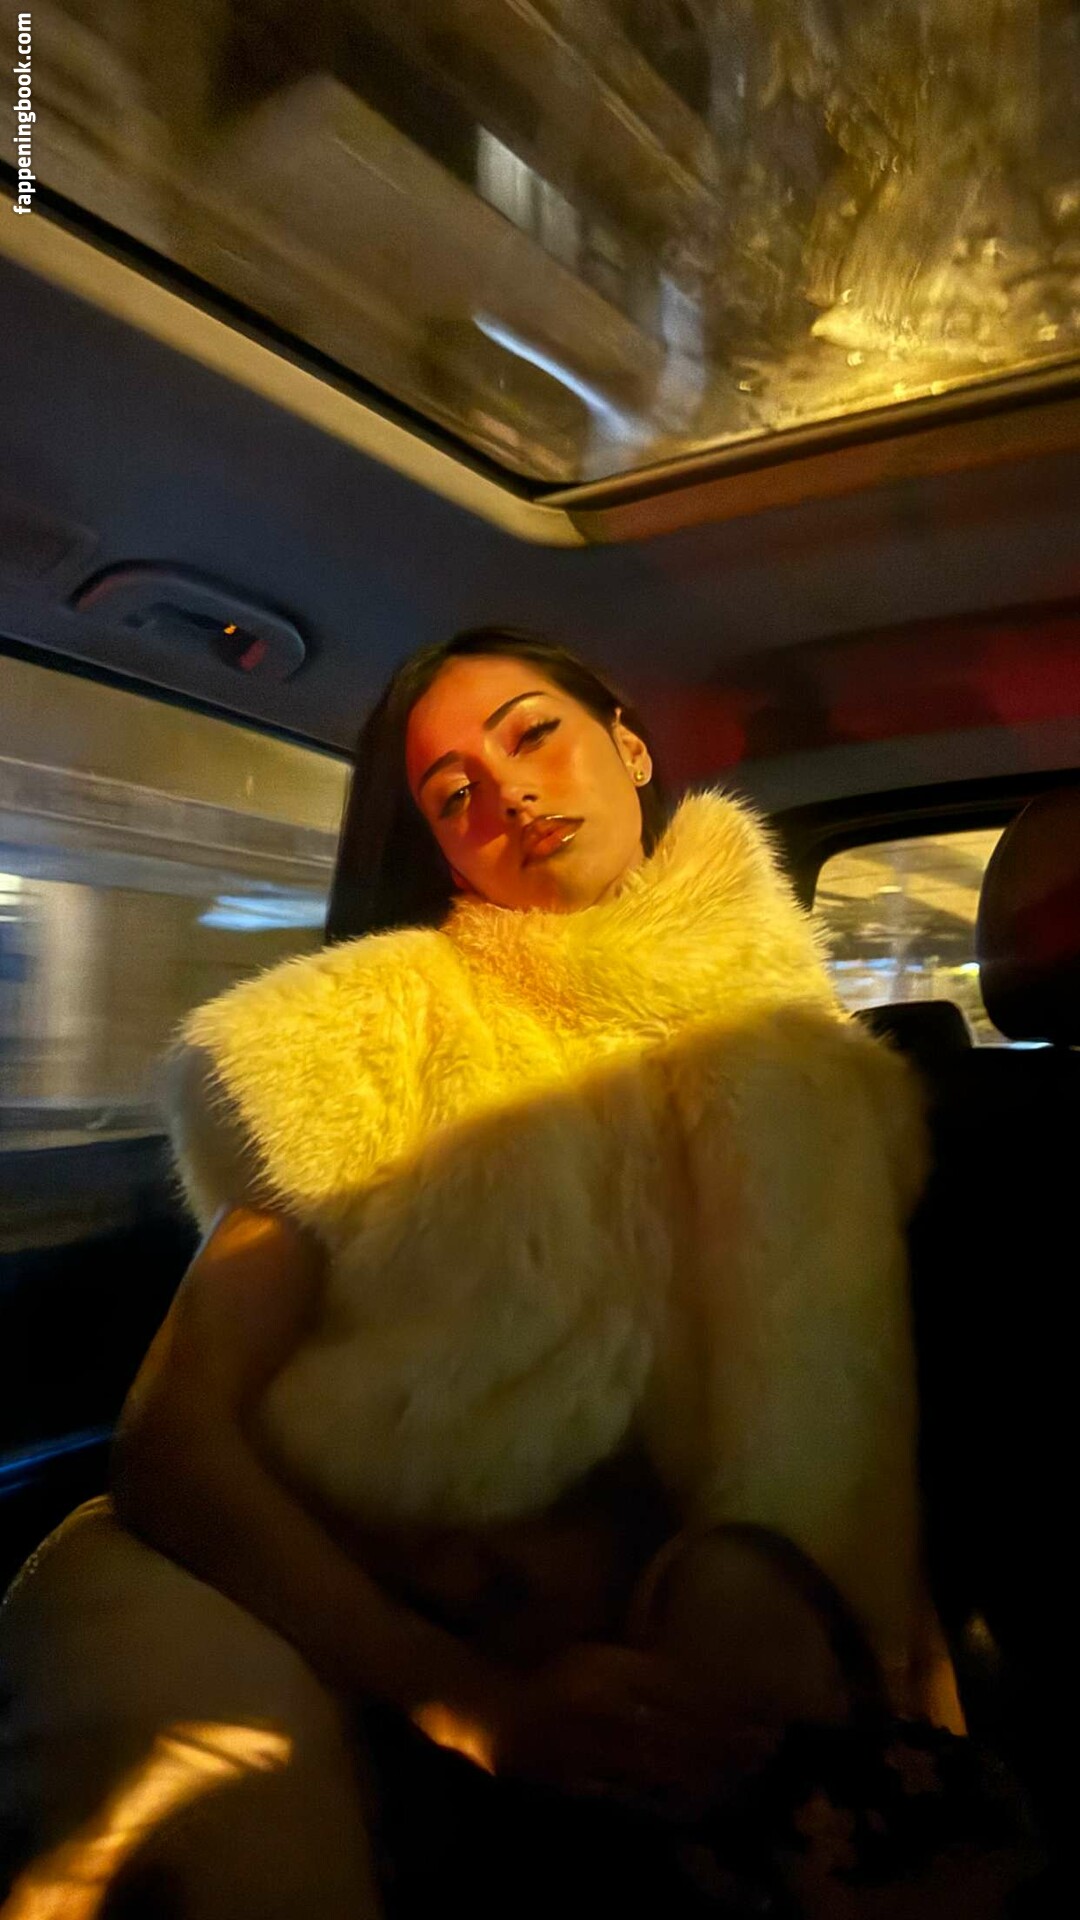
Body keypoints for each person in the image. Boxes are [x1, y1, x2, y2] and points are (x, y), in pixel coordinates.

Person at [3, 628, 1025, 1920]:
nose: (511, 795)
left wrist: (926, 1722)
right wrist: (466, 1701)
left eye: (534, 734)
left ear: (630, 747)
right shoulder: (361, 1032)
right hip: (255, 1586)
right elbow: (170, 1442)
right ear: (447, 852)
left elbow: (863, 1469)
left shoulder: (823, 1092)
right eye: (453, 795)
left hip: (629, 1664)